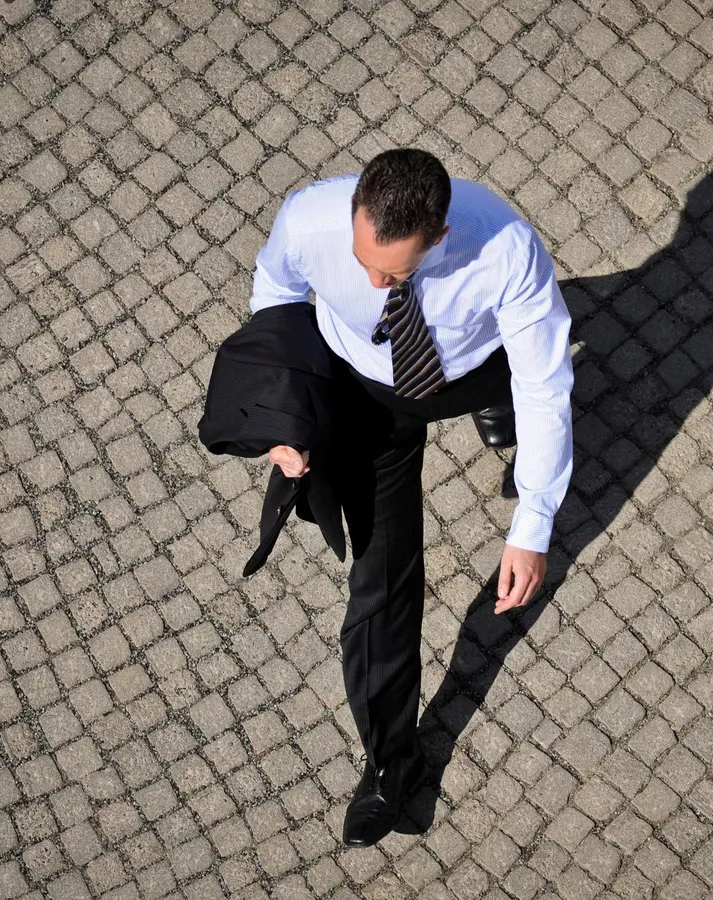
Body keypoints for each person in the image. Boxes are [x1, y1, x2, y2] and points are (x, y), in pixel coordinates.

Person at [246, 148, 574, 846]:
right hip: (368, 391)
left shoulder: (506, 251)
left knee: (524, 370)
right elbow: (276, 293)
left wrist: (533, 524)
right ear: (354, 210)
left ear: (440, 238)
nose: (373, 281)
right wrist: (283, 413)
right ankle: (392, 762)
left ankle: (491, 405)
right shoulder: (309, 220)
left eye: (393, 275)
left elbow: (546, 384)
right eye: (363, 261)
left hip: (471, 370)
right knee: (380, 585)